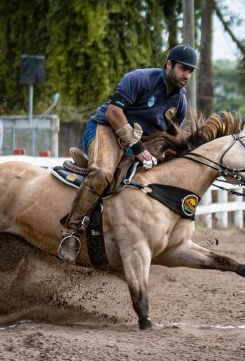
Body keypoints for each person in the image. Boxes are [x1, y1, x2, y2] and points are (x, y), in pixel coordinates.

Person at [58, 44, 196, 263]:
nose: (187, 75)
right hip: (105, 128)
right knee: (104, 172)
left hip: (139, 143)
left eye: (190, 71)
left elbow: (170, 136)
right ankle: (70, 231)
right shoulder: (140, 79)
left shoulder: (180, 102)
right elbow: (114, 112)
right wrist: (139, 149)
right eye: (183, 68)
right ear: (169, 65)